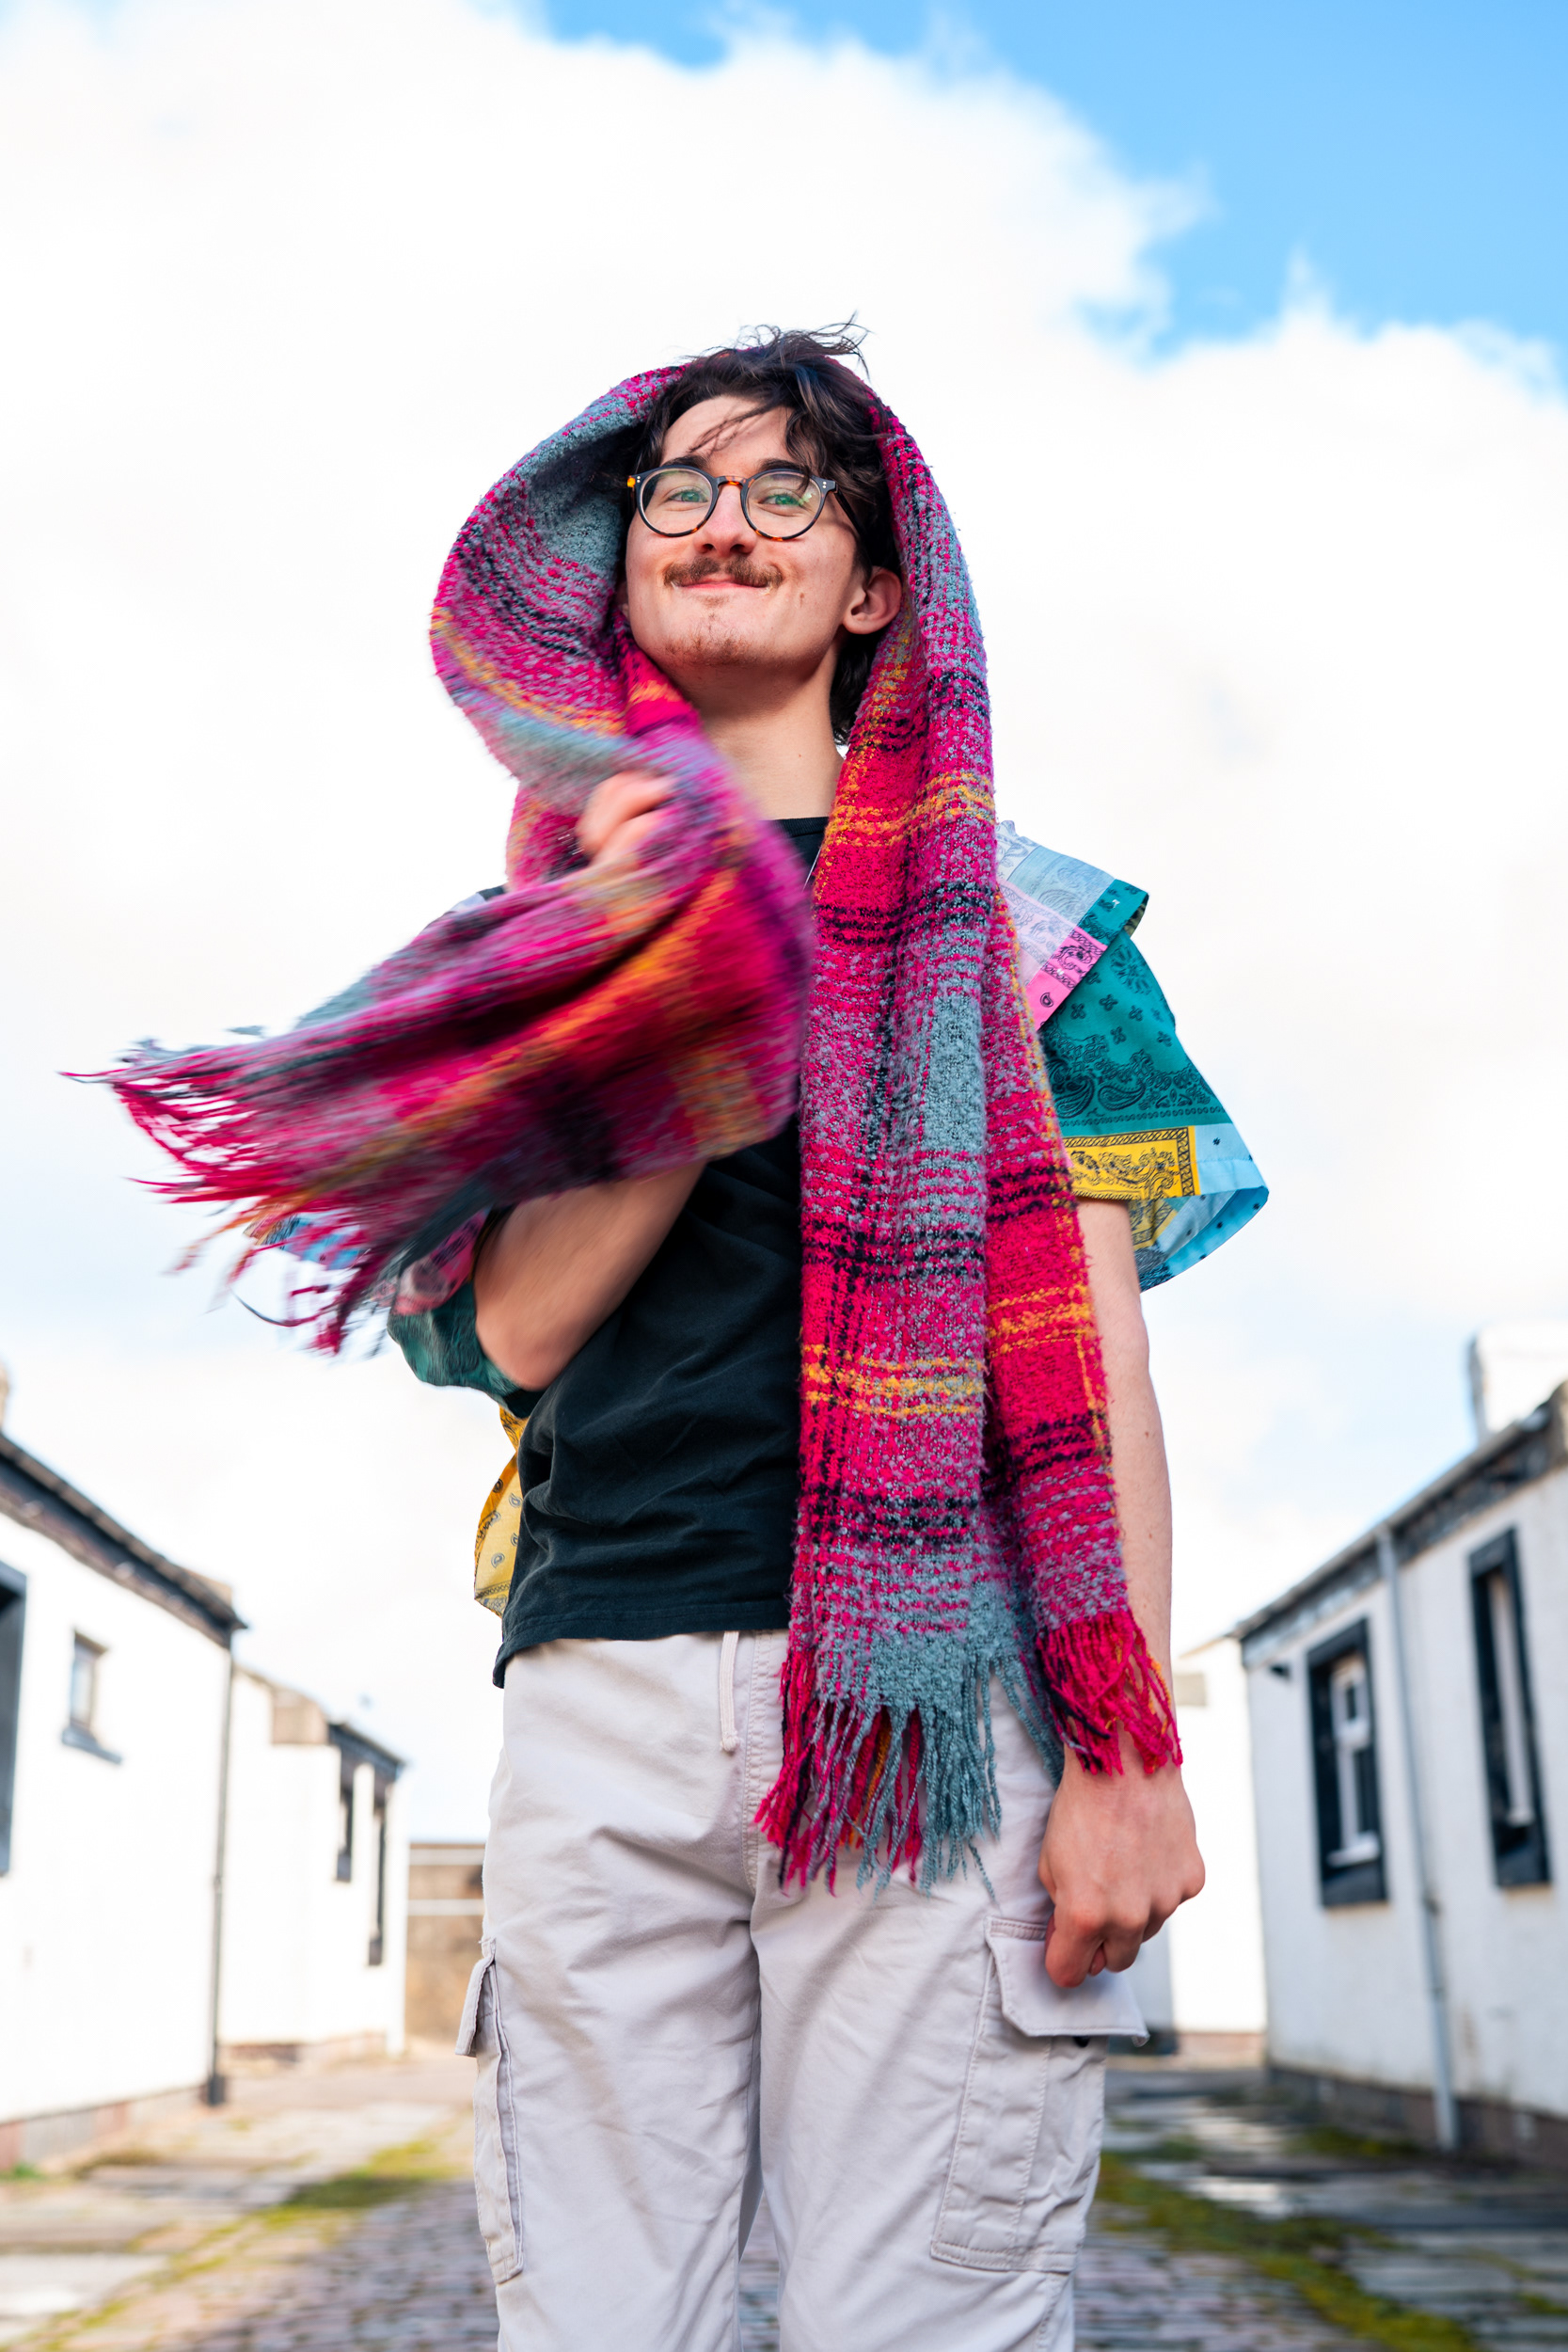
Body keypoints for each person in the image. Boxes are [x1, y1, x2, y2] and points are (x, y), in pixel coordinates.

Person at [382, 327, 1267, 2352]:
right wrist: (687, 1007)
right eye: (675, 491)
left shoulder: (1037, 939)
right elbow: (513, 1324)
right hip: (605, 1678)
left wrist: (1130, 1751)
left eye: (788, 487)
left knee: (924, 2320)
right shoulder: (538, 949)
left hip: (940, 1706)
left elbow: (1105, 1366)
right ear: (613, 574)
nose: (722, 521)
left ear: (877, 581)